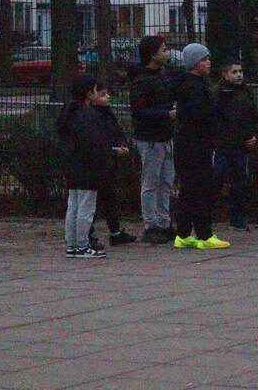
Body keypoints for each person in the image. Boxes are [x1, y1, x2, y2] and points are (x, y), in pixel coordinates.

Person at [57, 74, 129, 258]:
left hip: (72, 164)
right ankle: (82, 245)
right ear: (89, 94)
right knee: (86, 208)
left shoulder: (69, 111)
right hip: (87, 166)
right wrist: (109, 155)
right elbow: (95, 144)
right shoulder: (89, 115)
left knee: (73, 205)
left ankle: (72, 244)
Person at [172, 43, 230, 250]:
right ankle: (204, 234)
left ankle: (184, 233)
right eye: (204, 59)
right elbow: (201, 116)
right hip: (196, 145)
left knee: (189, 190)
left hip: (188, 144)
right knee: (201, 189)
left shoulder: (190, 84)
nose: (208, 62)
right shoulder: (195, 87)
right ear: (195, 63)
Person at [129, 35, 176, 244]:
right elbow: (139, 111)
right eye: (163, 50)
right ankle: (150, 224)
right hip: (150, 137)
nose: (167, 53)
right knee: (150, 182)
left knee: (166, 181)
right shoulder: (142, 80)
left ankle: (164, 221)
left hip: (165, 135)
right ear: (152, 54)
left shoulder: (163, 76)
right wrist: (165, 114)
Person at [213, 59, 258, 231]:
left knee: (239, 183)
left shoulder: (246, 92)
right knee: (215, 179)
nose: (239, 74)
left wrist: (255, 136)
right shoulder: (218, 93)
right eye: (234, 72)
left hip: (241, 146)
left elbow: (255, 117)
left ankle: (238, 218)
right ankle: (206, 215)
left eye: (240, 71)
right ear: (225, 74)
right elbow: (213, 119)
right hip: (222, 146)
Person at [90, 86, 136, 246]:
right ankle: (87, 233)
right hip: (99, 162)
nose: (108, 97)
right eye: (103, 95)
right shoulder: (92, 116)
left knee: (109, 198)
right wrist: (114, 149)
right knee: (94, 200)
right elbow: (97, 141)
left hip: (109, 161)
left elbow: (117, 132)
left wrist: (121, 145)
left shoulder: (108, 114)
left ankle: (115, 232)